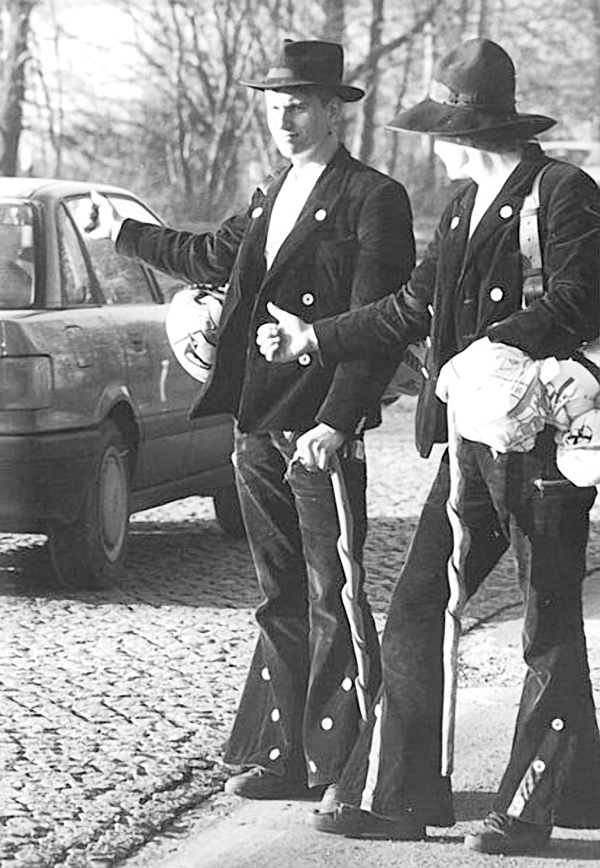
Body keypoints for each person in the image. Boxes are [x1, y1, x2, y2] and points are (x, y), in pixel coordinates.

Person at [256, 38, 600, 854]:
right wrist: (314, 338)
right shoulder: (457, 208)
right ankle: (402, 795)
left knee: (546, 624)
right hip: (466, 450)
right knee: (416, 606)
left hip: (542, 449)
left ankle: (533, 806)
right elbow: (410, 307)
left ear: (467, 130)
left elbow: (585, 297)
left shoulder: (561, 191)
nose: (435, 142)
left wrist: (501, 344)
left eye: (440, 127)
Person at [94, 40, 415, 801]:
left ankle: (348, 767)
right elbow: (213, 254)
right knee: (276, 592)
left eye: (299, 106)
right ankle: (282, 755)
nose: (285, 120)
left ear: (335, 111)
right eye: (274, 108)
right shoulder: (274, 190)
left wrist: (339, 421)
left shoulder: (376, 198)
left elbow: (379, 325)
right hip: (258, 421)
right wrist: (128, 234)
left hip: (320, 429)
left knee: (331, 588)